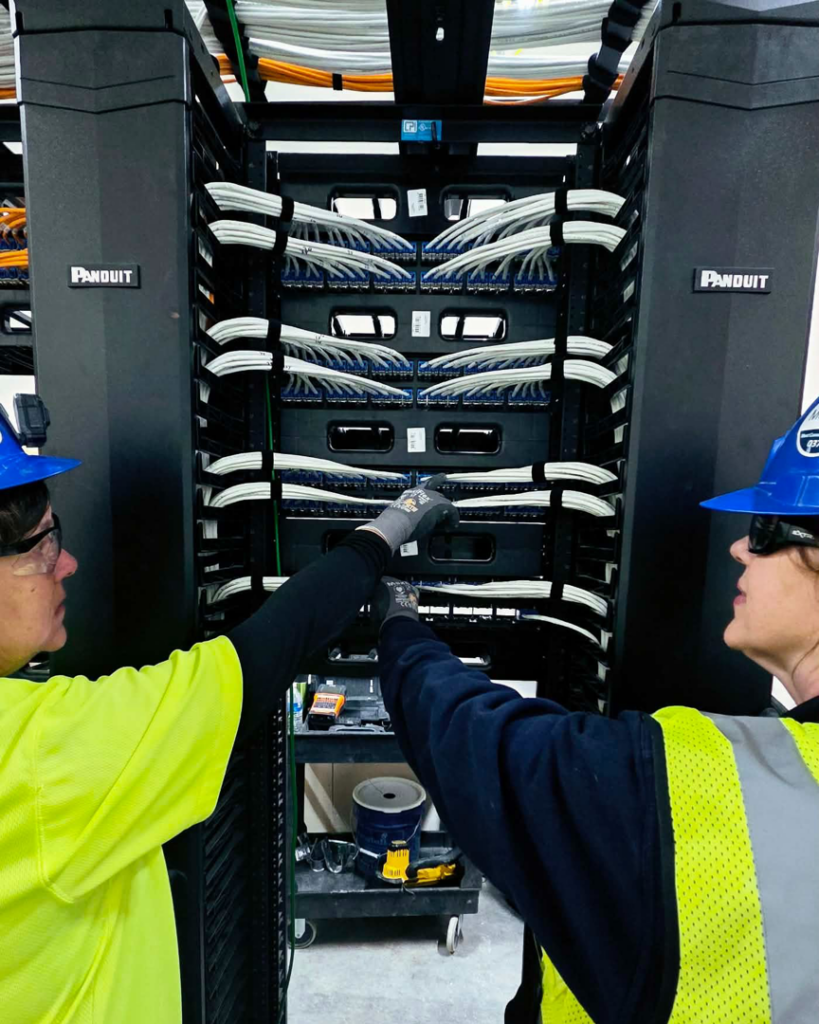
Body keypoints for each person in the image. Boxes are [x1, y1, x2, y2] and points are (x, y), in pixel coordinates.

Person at [0, 400, 458, 1024]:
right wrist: (385, 536)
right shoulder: (39, 754)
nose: (68, 564)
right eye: (43, 545)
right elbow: (263, 654)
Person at [375, 396, 819, 1024]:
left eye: (769, 529)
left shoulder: (709, 787)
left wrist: (400, 628)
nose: (740, 549)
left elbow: (476, 744)